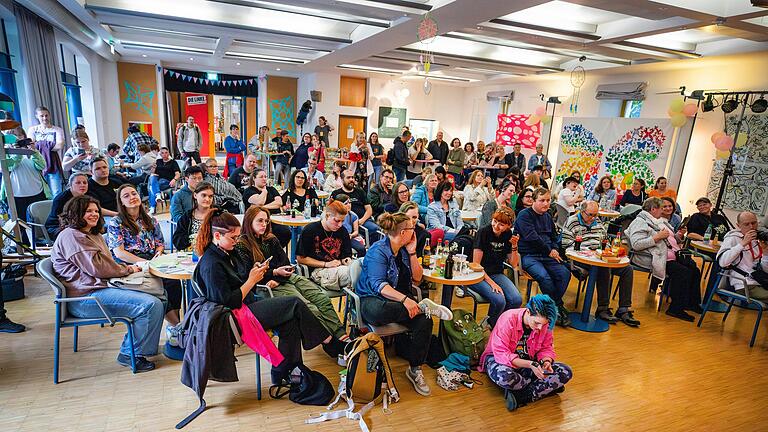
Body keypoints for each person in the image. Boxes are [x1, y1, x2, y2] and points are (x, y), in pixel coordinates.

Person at [193, 209, 344, 385]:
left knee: (291, 321)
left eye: (237, 236)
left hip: (245, 306)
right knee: (295, 304)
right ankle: (329, 342)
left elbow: (240, 278)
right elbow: (229, 301)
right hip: (232, 318)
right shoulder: (211, 264)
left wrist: (254, 273)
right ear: (217, 236)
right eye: (233, 238)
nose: (236, 241)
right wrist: (252, 280)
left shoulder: (226, 252)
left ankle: (284, 372)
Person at [51, 195, 164, 371]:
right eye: (88, 211)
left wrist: (124, 268)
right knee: (151, 304)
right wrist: (128, 269)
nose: (94, 214)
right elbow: (99, 268)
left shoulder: (90, 234)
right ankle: (130, 353)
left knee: (159, 295)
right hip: (85, 299)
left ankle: (140, 348)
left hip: (98, 288)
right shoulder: (72, 236)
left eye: (96, 211)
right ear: (76, 213)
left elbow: (104, 265)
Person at [355, 211, 453, 396]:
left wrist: (413, 252)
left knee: (425, 321)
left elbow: (417, 279)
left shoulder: (402, 251)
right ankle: (422, 307)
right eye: (412, 229)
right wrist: (406, 300)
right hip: (372, 300)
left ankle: (415, 369)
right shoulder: (378, 251)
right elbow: (379, 286)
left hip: (397, 302)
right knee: (378, 312)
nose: (414, 231)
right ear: (402, 233)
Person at [233, 206, 348, 340]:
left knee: (322, 298)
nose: (264, 224)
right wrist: (275, 273)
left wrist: (277, 276)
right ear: (249, 221)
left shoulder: (270, 238)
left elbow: (285, 262)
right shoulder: (242, 245)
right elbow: (248, 276)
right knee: (308, 306)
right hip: (265, 286)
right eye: (260, 221)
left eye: (266, 221)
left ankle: (341, 335)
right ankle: (330, 341)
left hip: (283, 279)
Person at [107, 184, 183, 340]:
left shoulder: (149, 219)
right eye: (126, 196)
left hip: (153, 257)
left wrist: (159, 252)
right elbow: (119, 252)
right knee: (160, 284)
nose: (132, 197)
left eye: (134, 193)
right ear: (121, 202)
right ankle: (178, 327)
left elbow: (160, 243)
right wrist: (145, 262)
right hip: (131, 262)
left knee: (174, 282)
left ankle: (174, 326)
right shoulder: (116, 222)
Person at [479, 295, 572, 411]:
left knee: (566, 371)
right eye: (537, 323)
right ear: (528, 312)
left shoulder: (545, 323)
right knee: (504, 376)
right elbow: (502, 355)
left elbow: (546, 347)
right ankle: (545, 387)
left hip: (529, 364)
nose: (540, 328)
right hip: (499, 361)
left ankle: (521, 395)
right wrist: (530, 365)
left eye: (543, 324)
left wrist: (546, 361)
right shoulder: (508, 319)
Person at [561, 201, 640, 326]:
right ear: (582, 211)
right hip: (580, 259)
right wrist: (588, 251)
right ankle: (602, 308)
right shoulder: (572, 221)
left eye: (595, 215)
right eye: (590, 215)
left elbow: (606, 240)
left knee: (627, 269)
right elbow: (566, 244)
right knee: (603, 268)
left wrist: (607, 250)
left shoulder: (597, 221)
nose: (593, 218)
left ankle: (624, 309)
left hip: (599, 256)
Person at [626, 197, 702, 322]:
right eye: (661, 208)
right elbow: (636, 244)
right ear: (653, 209)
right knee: (683, 272)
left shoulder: (660, 221)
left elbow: (671, 239)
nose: (664, 211)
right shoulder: (640, 222)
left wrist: (679, 235)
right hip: (652, 257)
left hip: (670, 254)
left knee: (694, 270)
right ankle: (675, 308)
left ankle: (691, 303)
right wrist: (656, 237)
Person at [515, 187, 572, 326]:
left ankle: (549, 307)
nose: (546, 204)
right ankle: (556, 307)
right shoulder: (524, 215)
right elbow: (533, 238)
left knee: (565, 274)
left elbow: (554, 237)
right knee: (544, 276)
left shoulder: (547, 216)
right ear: (533, 201)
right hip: (529, 255)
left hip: (547, 255)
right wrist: (549, 250)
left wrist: (554, 249)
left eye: (548, 200)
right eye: (542, 200)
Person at [468, 208, 523, 327]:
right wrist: (492, 283)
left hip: (496, 273)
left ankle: (501, 326)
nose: (496, 226)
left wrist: (514, 246)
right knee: (499, 300)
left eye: (501, 224)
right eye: (494, 221)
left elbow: (514, 264)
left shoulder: (508, 235)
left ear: (509, 226)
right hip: (477, 274)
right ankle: (491, 325)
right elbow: (476, 265)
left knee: (516, 299)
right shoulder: (483, 232)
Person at [0, 129, 50, 241]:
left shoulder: (30, 152)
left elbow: (42, 166)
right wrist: (18, 153)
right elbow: (9, 167)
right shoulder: (5, 153)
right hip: (17, 195)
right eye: (13, 137)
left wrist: (34, 151)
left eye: (19, 136)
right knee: (20, 223)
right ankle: (24, 245)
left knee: (38, 221)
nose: (17, 139)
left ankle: (41, 243)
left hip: (37, 191)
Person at [296, 200, 354, 291]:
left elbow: (346, 255)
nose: (340, 225)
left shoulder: (343, 231)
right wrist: (326, 264)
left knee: (361, 270)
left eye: (343, 221)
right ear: (327, 216)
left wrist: (347, 261)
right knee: (353, 275)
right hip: (318, 271)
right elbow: (300, 258)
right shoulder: (310, 230)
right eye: (337, 221)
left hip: (339, 267)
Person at [717, 211, 768, 300]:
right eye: (746, 224)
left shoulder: (758, 239)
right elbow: (722, 262)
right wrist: (742, 244)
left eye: (753, 223)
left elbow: (764, 269)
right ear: (738, 225)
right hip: (744, 283)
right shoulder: (732, 238)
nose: (751, 227)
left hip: (760, 280)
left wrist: (765, 253)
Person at [241, 169, 290, 247]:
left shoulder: (272, 189)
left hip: (275, 219)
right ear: (254, 178)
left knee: (286, 231)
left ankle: (275, 253)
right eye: (261, 177)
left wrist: (262, 208)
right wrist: (264, 192)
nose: (264, 179)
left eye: (265, 177)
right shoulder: (249, 191)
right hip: (258, 221)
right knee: (269, 233)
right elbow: (260, 201)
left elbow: (279, 202)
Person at [331, 169, 379, 242]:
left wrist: (361, 220)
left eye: (352, 177)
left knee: (375, 228)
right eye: (348, 177)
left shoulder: (360, 191)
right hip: (345, 222)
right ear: (342, 179)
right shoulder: (336, 193)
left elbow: (369, 209)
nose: (351, 180)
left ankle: (373, 250)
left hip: (362, 220)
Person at [28, 106, 65, 196]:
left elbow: (59, 145)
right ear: (37, 116)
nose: (45, 118)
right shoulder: (33, 130)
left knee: (56, 192)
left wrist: (39, 144)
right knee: (41, 193)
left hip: (54, 165)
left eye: (46, 115)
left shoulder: (57, 130)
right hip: (37, 165)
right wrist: (49, 144)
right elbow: (30, 146)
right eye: (42, 116)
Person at [172, 182, 214, 251]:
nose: (207, 199)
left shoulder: (219, 215)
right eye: (203, 195)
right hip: (190, 254)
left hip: (213, 254)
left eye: (210, 196)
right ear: (195, 195)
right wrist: (192, 238)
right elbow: (177, 241)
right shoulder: (187, 217)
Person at [45, 173, 89, 240]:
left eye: (85, 183)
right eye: (78, 183)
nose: (82, 185)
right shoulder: (61, 199)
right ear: (70, 185)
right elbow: (62, 220)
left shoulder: (86, 196)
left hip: (77, 225)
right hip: (57, 227)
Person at [147, 147, 181, 215]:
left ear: (169, 153)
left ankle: (153, 207)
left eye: (166, 152)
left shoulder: (173, 162)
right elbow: (153, 173)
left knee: (152, 187)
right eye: (162, 153)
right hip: (158, 182)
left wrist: (174, 180)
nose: (164, 154)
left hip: (168, 181)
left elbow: (178, 174)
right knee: (152, 178)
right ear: (160, 154)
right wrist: (153, 167)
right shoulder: (158, 161)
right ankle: (158, 194)